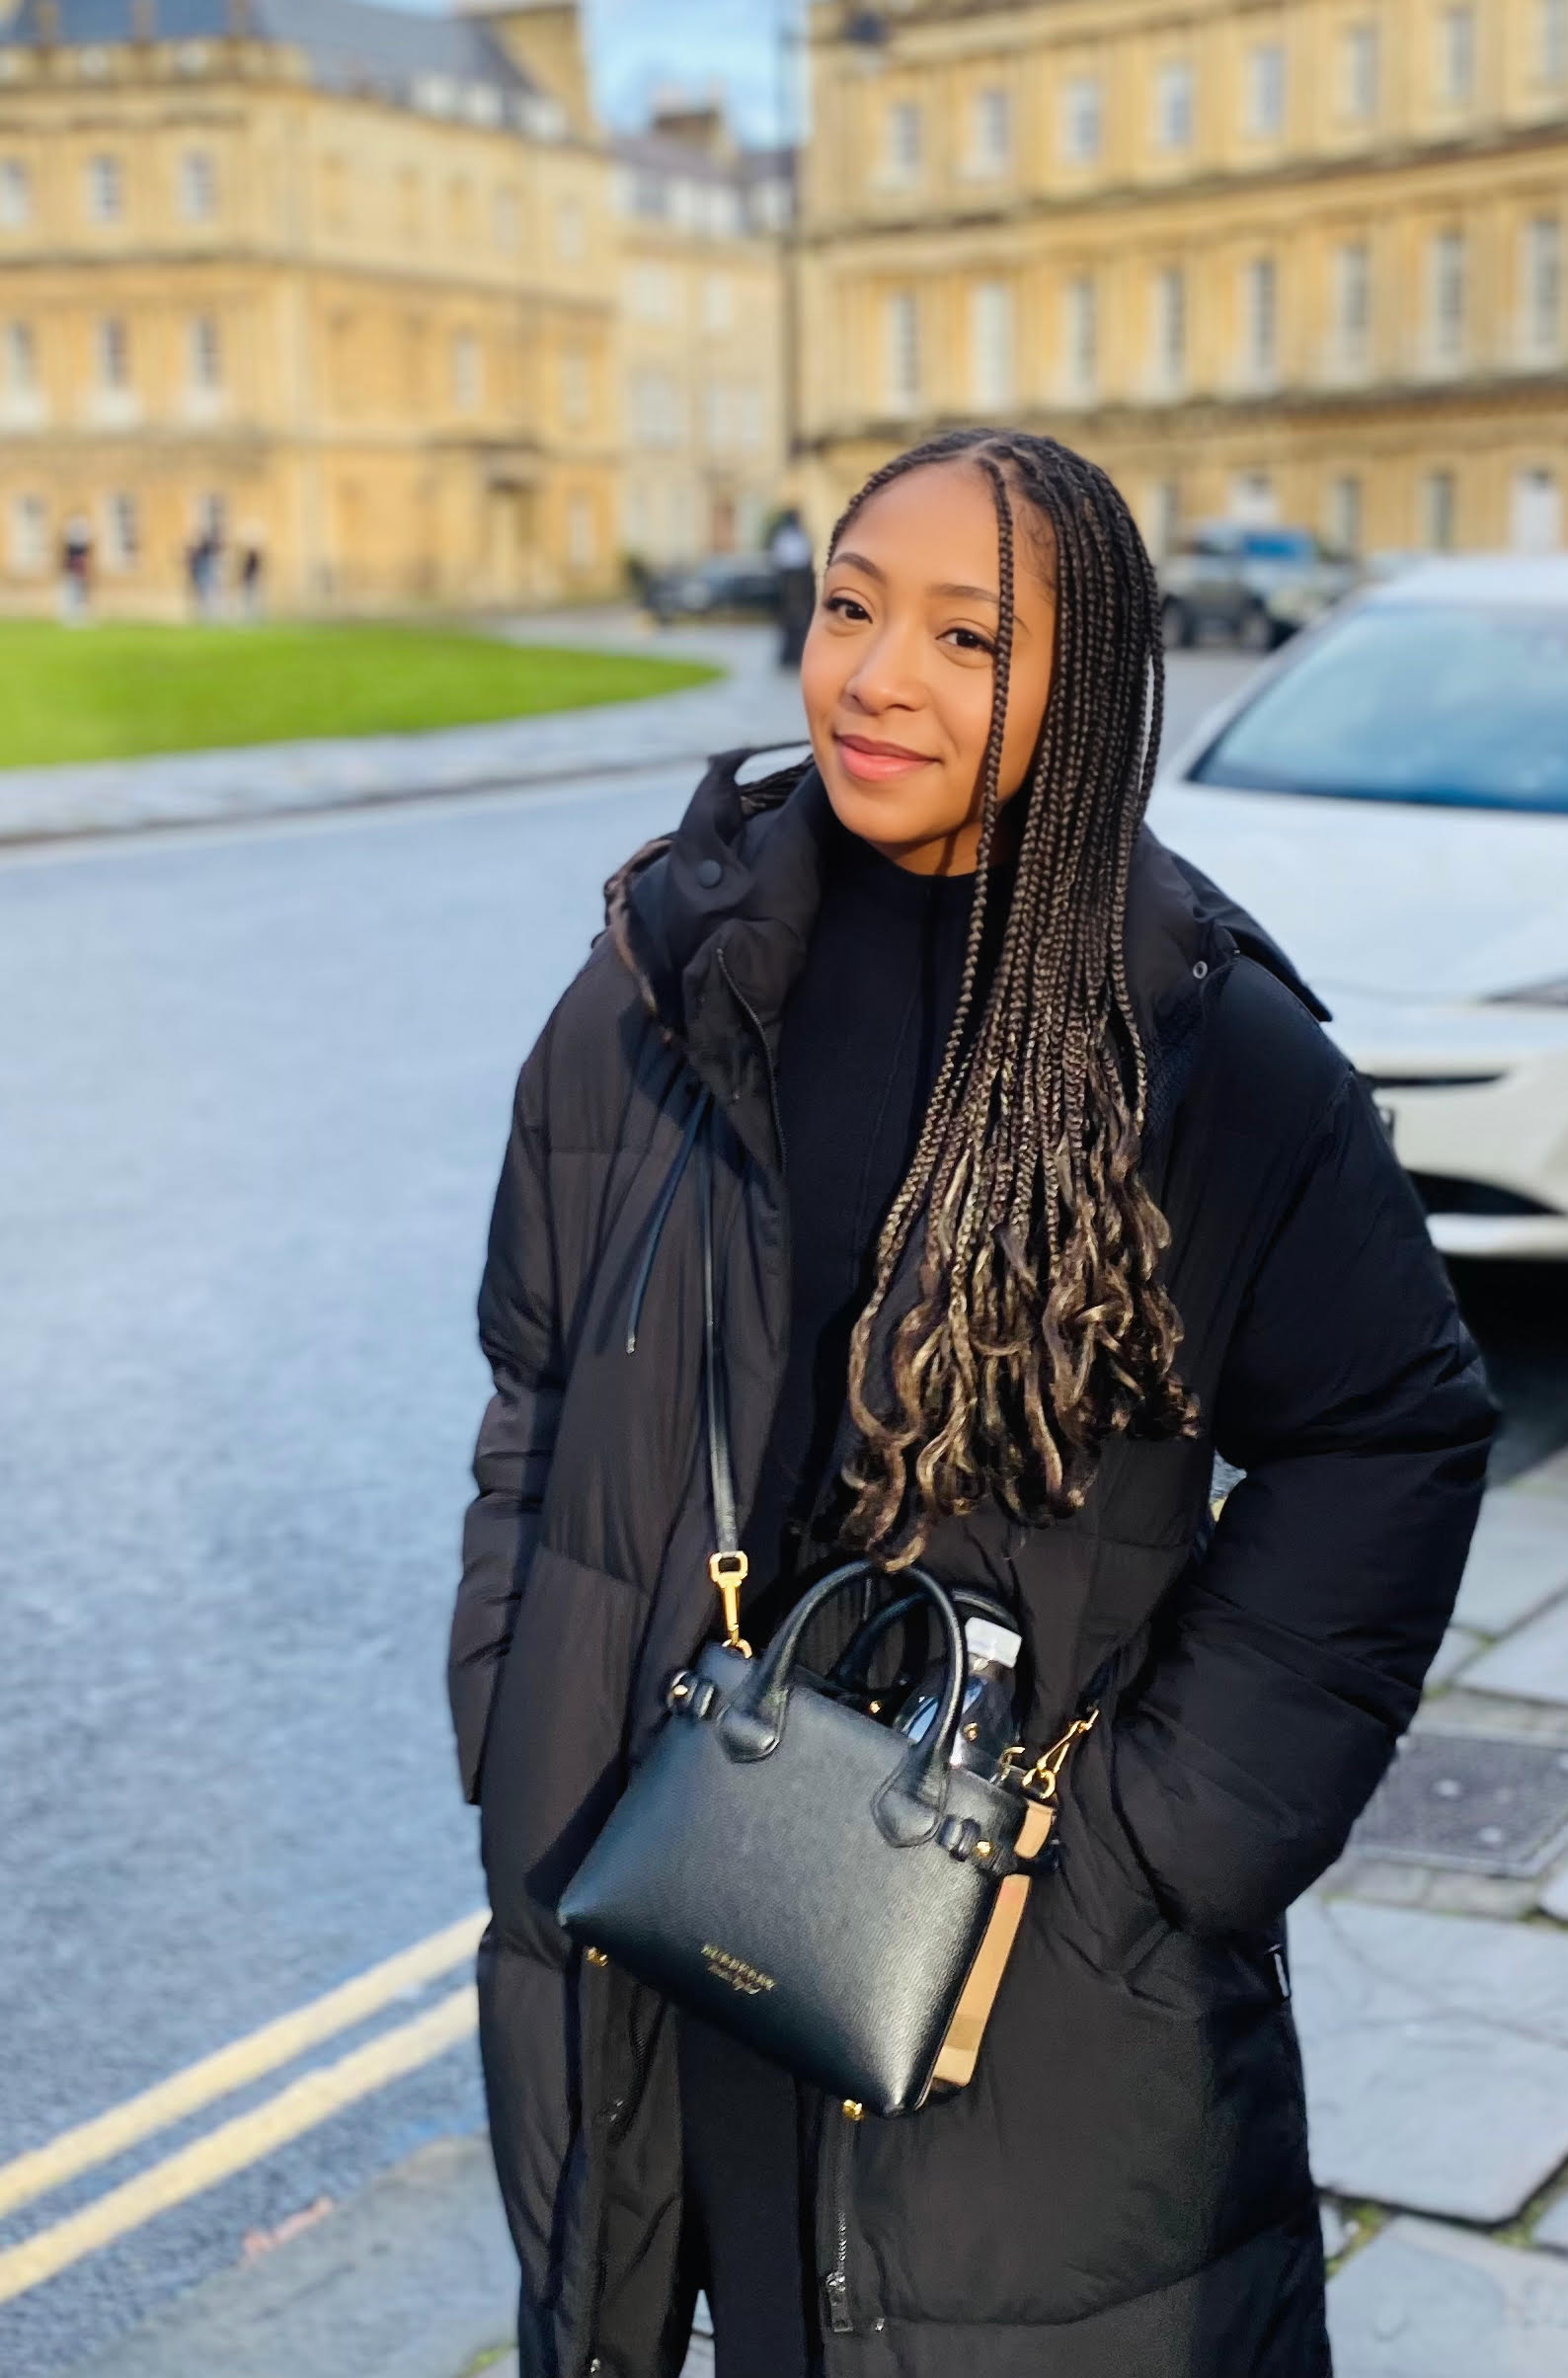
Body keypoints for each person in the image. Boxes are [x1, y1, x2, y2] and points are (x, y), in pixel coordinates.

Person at [450, 429, 1493, 2378]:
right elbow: (533, 1382)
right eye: (850, 606)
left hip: (1025, 1987)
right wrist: (519, 1713)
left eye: (963, 635)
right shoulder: (656, 988)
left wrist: (1159, 1847)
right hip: (675, 1907)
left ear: (1081, 686)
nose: (874, 676)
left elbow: (1393, 1429)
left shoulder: (1196, 1043)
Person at [769, 505, 816, 667]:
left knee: (801, 621)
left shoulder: (799, 536)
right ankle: (788, 656)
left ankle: (797, 654)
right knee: (789, 621)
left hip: (801, 581)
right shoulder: (786, 537)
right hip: (789, 582)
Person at [58, 513, 93, 626]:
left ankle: (80, 616)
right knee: (72, 594)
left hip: (79, 573)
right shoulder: (73, 546)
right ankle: (72, 617)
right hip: (73, 573)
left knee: (80, 594)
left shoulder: (80, 545)